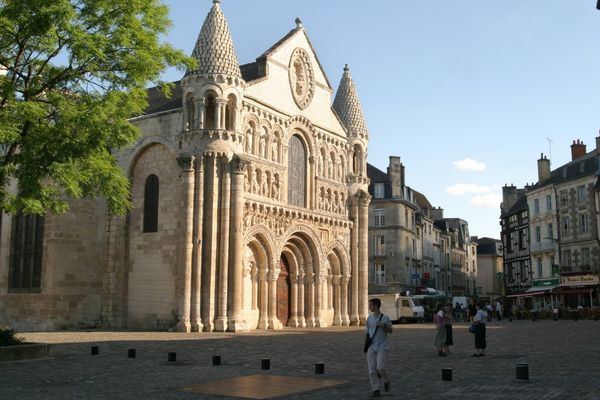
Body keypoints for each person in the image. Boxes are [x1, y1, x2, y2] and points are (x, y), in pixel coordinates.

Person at [366, 298, 393, 397]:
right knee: (372, 369)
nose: (369, 307)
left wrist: (384, 326)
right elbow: (367, 332)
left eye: (371, 305)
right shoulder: (369, 318)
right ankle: (375, 389)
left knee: (380, 367)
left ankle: (386, 380)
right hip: (372, 347)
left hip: (382, 346)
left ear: (376, 306)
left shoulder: (385, 318)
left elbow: (391, 330)